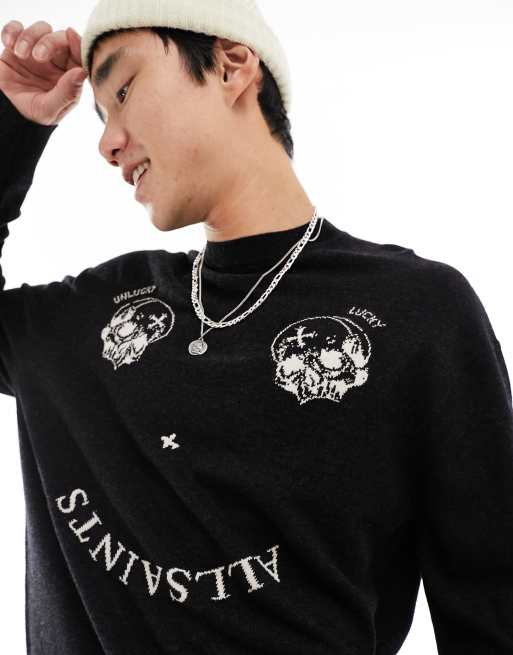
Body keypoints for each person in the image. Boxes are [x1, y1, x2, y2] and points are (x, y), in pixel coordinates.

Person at [0, 2, 512, 654]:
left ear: (232, 65)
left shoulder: (419, 313)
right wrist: (11, 126)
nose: (108, 143)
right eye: (99, 117)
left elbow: (491, 609)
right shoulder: (98, 315)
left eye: (123, 90)